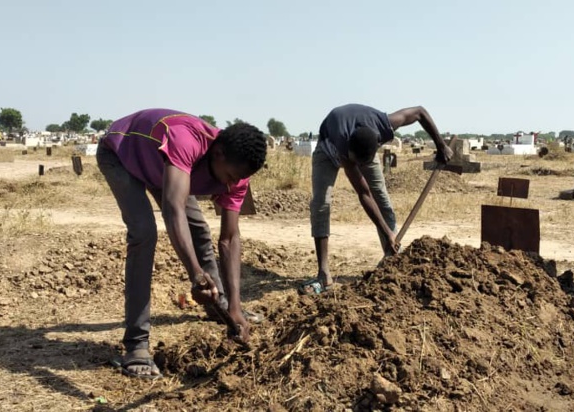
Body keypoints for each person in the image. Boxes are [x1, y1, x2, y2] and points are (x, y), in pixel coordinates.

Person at [97, 108, 267, 379]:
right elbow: (173, 209)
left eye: (239, 179)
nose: (234, 183)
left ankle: (219, 306)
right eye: (231, 176)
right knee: (144, 233)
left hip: (166, 169)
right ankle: (136, 345)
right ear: (218, 153)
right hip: (121, 153)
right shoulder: (186, 140)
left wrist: (235, 305)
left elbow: (230, 238)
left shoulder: (238, 174)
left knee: (199, 229)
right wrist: (197, 276)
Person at [301, 104, 453, 295]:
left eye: (363, 163)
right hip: (328, 148)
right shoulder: (344, 147)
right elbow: (363, 194)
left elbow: (419, 112)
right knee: (321, 204)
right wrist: (387, 231)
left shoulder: (384, 124)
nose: (360, 167)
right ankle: (324, 275)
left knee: (382, 199)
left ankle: (392, 262)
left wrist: (441, 145)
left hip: (360, 148)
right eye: (358, 163)